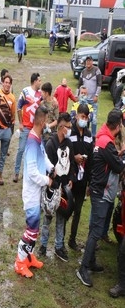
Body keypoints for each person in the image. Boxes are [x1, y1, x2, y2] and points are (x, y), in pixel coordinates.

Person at [76, 109, 125, 288]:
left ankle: (91, 262)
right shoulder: (107, 143)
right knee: (95, 231)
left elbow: (110, 160)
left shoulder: (103, 139)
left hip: (98, 190)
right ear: (118, 126)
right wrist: (120, 157)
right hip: (101, 193)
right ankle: (83, 269)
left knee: (94, 230)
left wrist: (118, 154)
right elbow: (118, 167)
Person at [14, 106, 54, 278]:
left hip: (37, 192)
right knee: (32, 229)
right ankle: (19, 261)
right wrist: (47, 180)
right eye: (47, 121)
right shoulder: (31, 142)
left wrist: (52, 168)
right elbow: (31, 173)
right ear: (42, 121)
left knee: (34, 228)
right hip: (31, 193)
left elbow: (43, 157)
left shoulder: (38, 139)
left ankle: (28, 256)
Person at [38, 112, 76, 262]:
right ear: (61, 127)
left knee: (61, 218)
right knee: (47, 218)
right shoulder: (50, 144)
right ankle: (43, 244)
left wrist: (71, 178)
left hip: (65, 187)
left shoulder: (69, 144)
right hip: (53, 187)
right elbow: (47, 168)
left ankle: (59, 246)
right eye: (68, 127)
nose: (70, 130)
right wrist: (52, 183)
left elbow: (72, 163)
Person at [68, 103, 94, 251]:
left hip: (83, 179)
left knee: (78, 210)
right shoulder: (69, 132)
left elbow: (90, 159)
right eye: (82, 116)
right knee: (67, 210)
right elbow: (64, 152)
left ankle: (72, 240)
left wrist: (90, 182)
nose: (84, 119)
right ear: (77, 115)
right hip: (70, 177)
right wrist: (74, 157)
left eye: (86, 117)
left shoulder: (89, 135)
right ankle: (60, 241)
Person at [13, 73, 43, 182]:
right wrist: (20, 123)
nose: (40, 82)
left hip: (35, 128)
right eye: (39, 80)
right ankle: (16, 172)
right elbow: (18, 107)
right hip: (25, 127)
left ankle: (30, 173)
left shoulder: (41, 95)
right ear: (35, 81)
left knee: (34, 151)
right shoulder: (25, 91)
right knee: (21, 149)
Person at [79, 56, 102, 136]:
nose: (88, 62)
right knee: (84, 119)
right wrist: (77, 95)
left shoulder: (97, 70)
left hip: (93, 100)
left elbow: (99, 84)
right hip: (84, 100)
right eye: (87, 61)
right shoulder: (83, 72)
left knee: (94, 120)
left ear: (92, 61)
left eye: (89, 61)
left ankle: (93, 136)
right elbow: (80, 85)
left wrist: (96, 95)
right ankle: (84, 134)